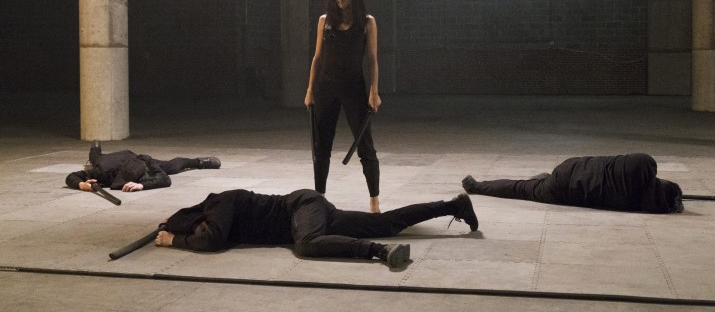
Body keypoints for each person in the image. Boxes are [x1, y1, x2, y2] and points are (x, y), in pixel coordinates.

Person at [154, 189, 479, 269]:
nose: (202, 230)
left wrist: (175, 240)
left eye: (197, 227)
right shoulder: (216, 214)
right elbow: (211, 236)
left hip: (301, 208)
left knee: (307, 244)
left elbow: (211, 241)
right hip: (311, 212)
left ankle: (378, 252)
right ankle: (453, 206)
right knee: (383, 223)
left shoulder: (217, 202)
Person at [304, 0, 383, 213]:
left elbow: (372, 60)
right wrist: (310, 89)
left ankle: (374, 202)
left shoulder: (367, 22)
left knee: (365, 147)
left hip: (353, 88)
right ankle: (319, 199)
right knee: (321, 147)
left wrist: (374, 91)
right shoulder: (324, 21)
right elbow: (317, 58)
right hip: (326, 88)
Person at [462, 153, 683, 214]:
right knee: (520, 189)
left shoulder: (643, 163)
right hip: (565, 190)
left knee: (533, 184)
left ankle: (542, 178)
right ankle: (477, 186)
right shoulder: (632, 204)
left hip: (571, 168)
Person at [65, 141, 221, 192]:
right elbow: (71, 176)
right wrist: (82, 185)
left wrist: (142, 185)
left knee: (172, 166)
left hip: (132, 157)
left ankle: (199, 162)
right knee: (96, 158)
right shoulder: (103, 172)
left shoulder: (146, 161)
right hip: (109, 161)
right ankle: (95, 145)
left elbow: (165, 179)